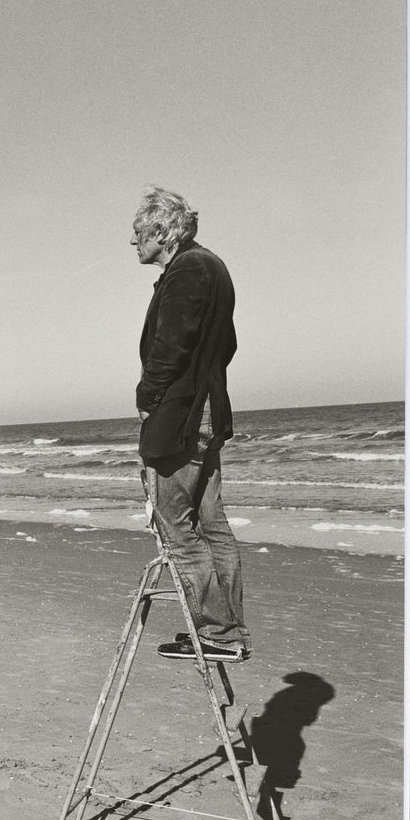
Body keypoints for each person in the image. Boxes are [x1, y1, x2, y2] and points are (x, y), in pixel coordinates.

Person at [130, 186, 250, 662]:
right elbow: (227, 345)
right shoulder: (211, 267)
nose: (134, 242)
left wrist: (147, 395)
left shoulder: (188, 269)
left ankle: (218, 632)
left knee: (176, 525)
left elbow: (171, 344)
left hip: (182, 411)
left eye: (139, 233)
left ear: (163, 231)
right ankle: (228, 632)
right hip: (206, 408)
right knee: (211, 523)